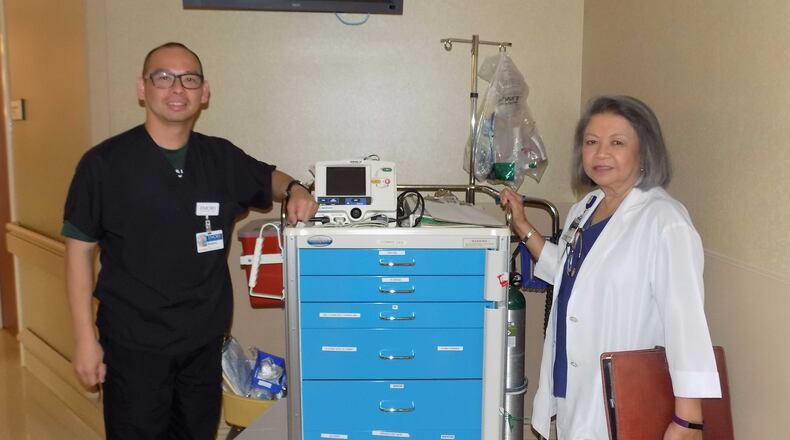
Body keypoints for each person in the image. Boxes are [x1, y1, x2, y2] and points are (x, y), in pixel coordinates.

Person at [62, 42, 317, 439]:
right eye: (163, 77)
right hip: (133, 344)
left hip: (202, 341)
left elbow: (270, 179)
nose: (177, 88)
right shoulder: (104, 165)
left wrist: (298, 189)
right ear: (142, 89)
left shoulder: (220, 158)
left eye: (189, 79)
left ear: (205, 92)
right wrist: (83, 339)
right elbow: (78, 251)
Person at [500, 96, 721, 440]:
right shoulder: (586, 208)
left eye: (617, 142)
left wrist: (688, 419)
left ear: (644, 151)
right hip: (575, 384)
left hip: (626, 395)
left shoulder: (665, 220)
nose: (601, 153)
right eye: (591, 142)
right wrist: (523, 226)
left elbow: (685, 320)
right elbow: (574, 273)